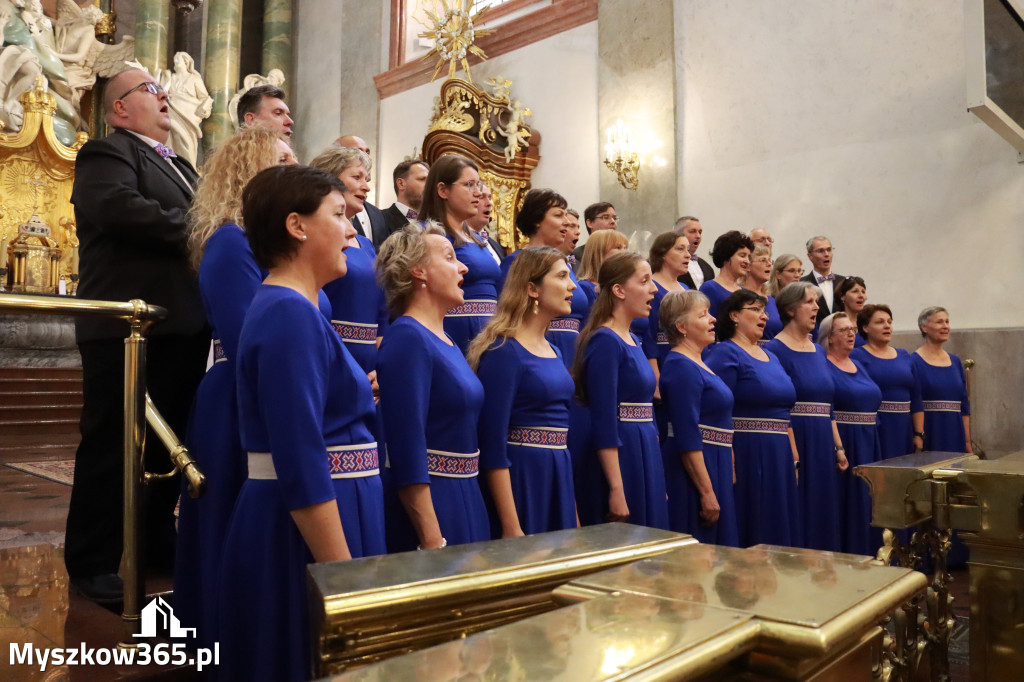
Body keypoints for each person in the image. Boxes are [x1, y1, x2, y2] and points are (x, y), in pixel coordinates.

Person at [218, 165, 385, 681]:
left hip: (326, 511)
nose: (353, 229)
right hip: (303, 528)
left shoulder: (297, 309)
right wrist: (340, 578)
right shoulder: (288, 312)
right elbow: (300, 456)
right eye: (338, 215)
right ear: (297, 226)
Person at [66, 68, 209, 603]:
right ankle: (91, 560)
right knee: (112, 442)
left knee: (167, 445)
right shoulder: (106, 153)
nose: (164, 94)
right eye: (150, 89)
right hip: (126, 325)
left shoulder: (184, 167)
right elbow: (119, 209)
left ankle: (151, 542)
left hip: (182, 323)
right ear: (119, 109)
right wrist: (202, 232)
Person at [174, 125, 296, 646]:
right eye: (284, 158)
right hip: (237, 400)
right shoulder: (229, 242)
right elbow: (250, 337)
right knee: (230, 516)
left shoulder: (269, 245)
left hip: (274, 390)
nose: (297, 167)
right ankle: (221, 641)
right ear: (253, 169)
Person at [376, 223, 491, 551]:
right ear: (418, 271)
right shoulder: (407, 338)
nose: (464, 267)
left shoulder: (446, 340)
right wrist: (431, 538)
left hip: (466, 492)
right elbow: (406, 447)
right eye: (450, 257)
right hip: (436, 503)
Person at [469, 247, 578, 536]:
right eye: (562, 276)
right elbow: (493, 443)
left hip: (559, 470)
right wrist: (511, 525)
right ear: (532, 289)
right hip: (524, 476)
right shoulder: (504, 351)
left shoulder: (553, 349)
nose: (573, 285)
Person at [573, 251, 668, 529]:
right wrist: (616, 487)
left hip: (644, 447)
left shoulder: (633, 339)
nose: (654, 289)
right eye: (645, 281)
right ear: (619, 290)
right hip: (622, 454)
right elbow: (603, 420)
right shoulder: (604, 341)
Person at [705, 290, 799, 547]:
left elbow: (785, 412)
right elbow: (716, 408)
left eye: (764, 311)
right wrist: (730, 458)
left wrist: (794, 456)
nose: (763, 316)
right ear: (734, 315)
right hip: (747, 451)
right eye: (755, 309)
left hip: (779, 453)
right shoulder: (725, 353)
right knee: (755, 523)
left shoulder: (773, 356)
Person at [765, 282, 848, 551]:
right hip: (796, 435)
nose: (816, 308)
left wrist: (838, 446)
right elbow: (779, 403)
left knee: (823, 504)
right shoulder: (775, 350)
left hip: (823, 438)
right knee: (800, 503)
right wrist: (793, 451)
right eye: (809, 302)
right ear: (790, 309)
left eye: (816, 301)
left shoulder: (819, 350)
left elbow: (829, 404)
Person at [659, 290, 738, 545]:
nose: (713, 319)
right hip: (695, 470)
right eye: (703, 315)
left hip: (715, 461)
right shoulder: (681, 365)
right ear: (682, 326)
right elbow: (687, 433)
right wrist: (706, 491)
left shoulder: (698, 362)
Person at [308, 145, 389, 374]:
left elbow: (382, 311)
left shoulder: (366, 245)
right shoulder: (317, 238)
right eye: (357, 177)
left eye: (367, 179)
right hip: (331, 358)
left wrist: (380, 368)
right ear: (330, 179)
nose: (366, 186)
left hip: (370, 364)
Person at [416, 154, 499, 355]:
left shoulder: (476, 237)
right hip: (453, 330)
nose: (478, 193)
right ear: (443, 190)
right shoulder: (427, 235)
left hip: (488, 331)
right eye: (469, 185)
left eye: (478, 185)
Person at [501, 188, 590, 368]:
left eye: (566, 215)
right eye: (558, 215)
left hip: (573, 351)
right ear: (537, 221)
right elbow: (509, 316)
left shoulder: (565, 266)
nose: (566, 222)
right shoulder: (516, 262)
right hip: (538, 351)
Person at [820, 312, 882, 557]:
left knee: (869, 502)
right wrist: (838, 447)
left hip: (870, 440)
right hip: (846, 439)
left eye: (852, 329)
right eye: (843, 330)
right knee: (849, 503)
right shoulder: (824, 365)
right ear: (830, 337)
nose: (850, 334)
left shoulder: (859, 363)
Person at [851, 304, 925, 458]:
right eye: (880, 322)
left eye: (889, 322)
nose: (887, 326)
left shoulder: (904, 356)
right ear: (865, 328)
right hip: (876, 427)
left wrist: (918, 433)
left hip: (903, 428)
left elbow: (916, 397)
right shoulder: (857, 356)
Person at [911, 307, 972, 454]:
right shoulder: (913, 361)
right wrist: (918, 435)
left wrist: (967, 441)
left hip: (955, 432)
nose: (945, 326)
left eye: (947, 322)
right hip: (930, 431)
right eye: (939, 322)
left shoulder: (955, 361)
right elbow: (914, 402)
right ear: (924, 327)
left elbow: (964, 404)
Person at [335, 135, 389, 247]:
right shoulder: (317, 222)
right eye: (356, 177)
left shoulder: (378, 214)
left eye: (367, 152)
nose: (367, 157)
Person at [700, 230, 753, 321]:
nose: (747, 261)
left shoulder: (745, 292)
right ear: (726, 257)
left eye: (749, 257)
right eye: (742, 255)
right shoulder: (709, 288)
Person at [800, 236, 846, 327]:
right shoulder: (801, 284)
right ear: (810, 256)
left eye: (829, 250)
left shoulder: (844, 283)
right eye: (821, 251)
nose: (826, 254)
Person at [575, 229, 629, 304]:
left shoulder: (625, 286)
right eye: (618, 247)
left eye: (625, 248)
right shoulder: (585, 288)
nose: (625, 253)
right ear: (599, 253)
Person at [745, 245, 783, 344]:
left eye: (770, 261)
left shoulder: (772, 300)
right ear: (748, 266)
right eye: (763, 260)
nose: (769, 264)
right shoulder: (739, 296)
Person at [383, 158, 429, 235]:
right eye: (422, 179)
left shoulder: (434, 222)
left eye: (429, 181)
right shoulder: (381, 219)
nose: (429, 185)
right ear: (401, 184)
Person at [466, 182, 506, 263]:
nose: (489, 203)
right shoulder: (458, 240)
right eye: (481, 197)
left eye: (490, 198)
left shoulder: (496, 245)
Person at [570, 201, 617, 266]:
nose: (613, 221)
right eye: (605, 217)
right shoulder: (574, 255)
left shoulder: (620, 253)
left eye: (615, 218)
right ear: (590, 223)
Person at [675, 216, 714, 290]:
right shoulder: (670, 265)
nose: (698, 236)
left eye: (700, 232)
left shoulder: (707, 268)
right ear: (678, 234)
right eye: (692, 231)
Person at [835, 276, 868, 347]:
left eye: (863, 292)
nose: (861, 295)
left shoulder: (868, 322)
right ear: (842, 296)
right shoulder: (834, 322)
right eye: (855, 291)